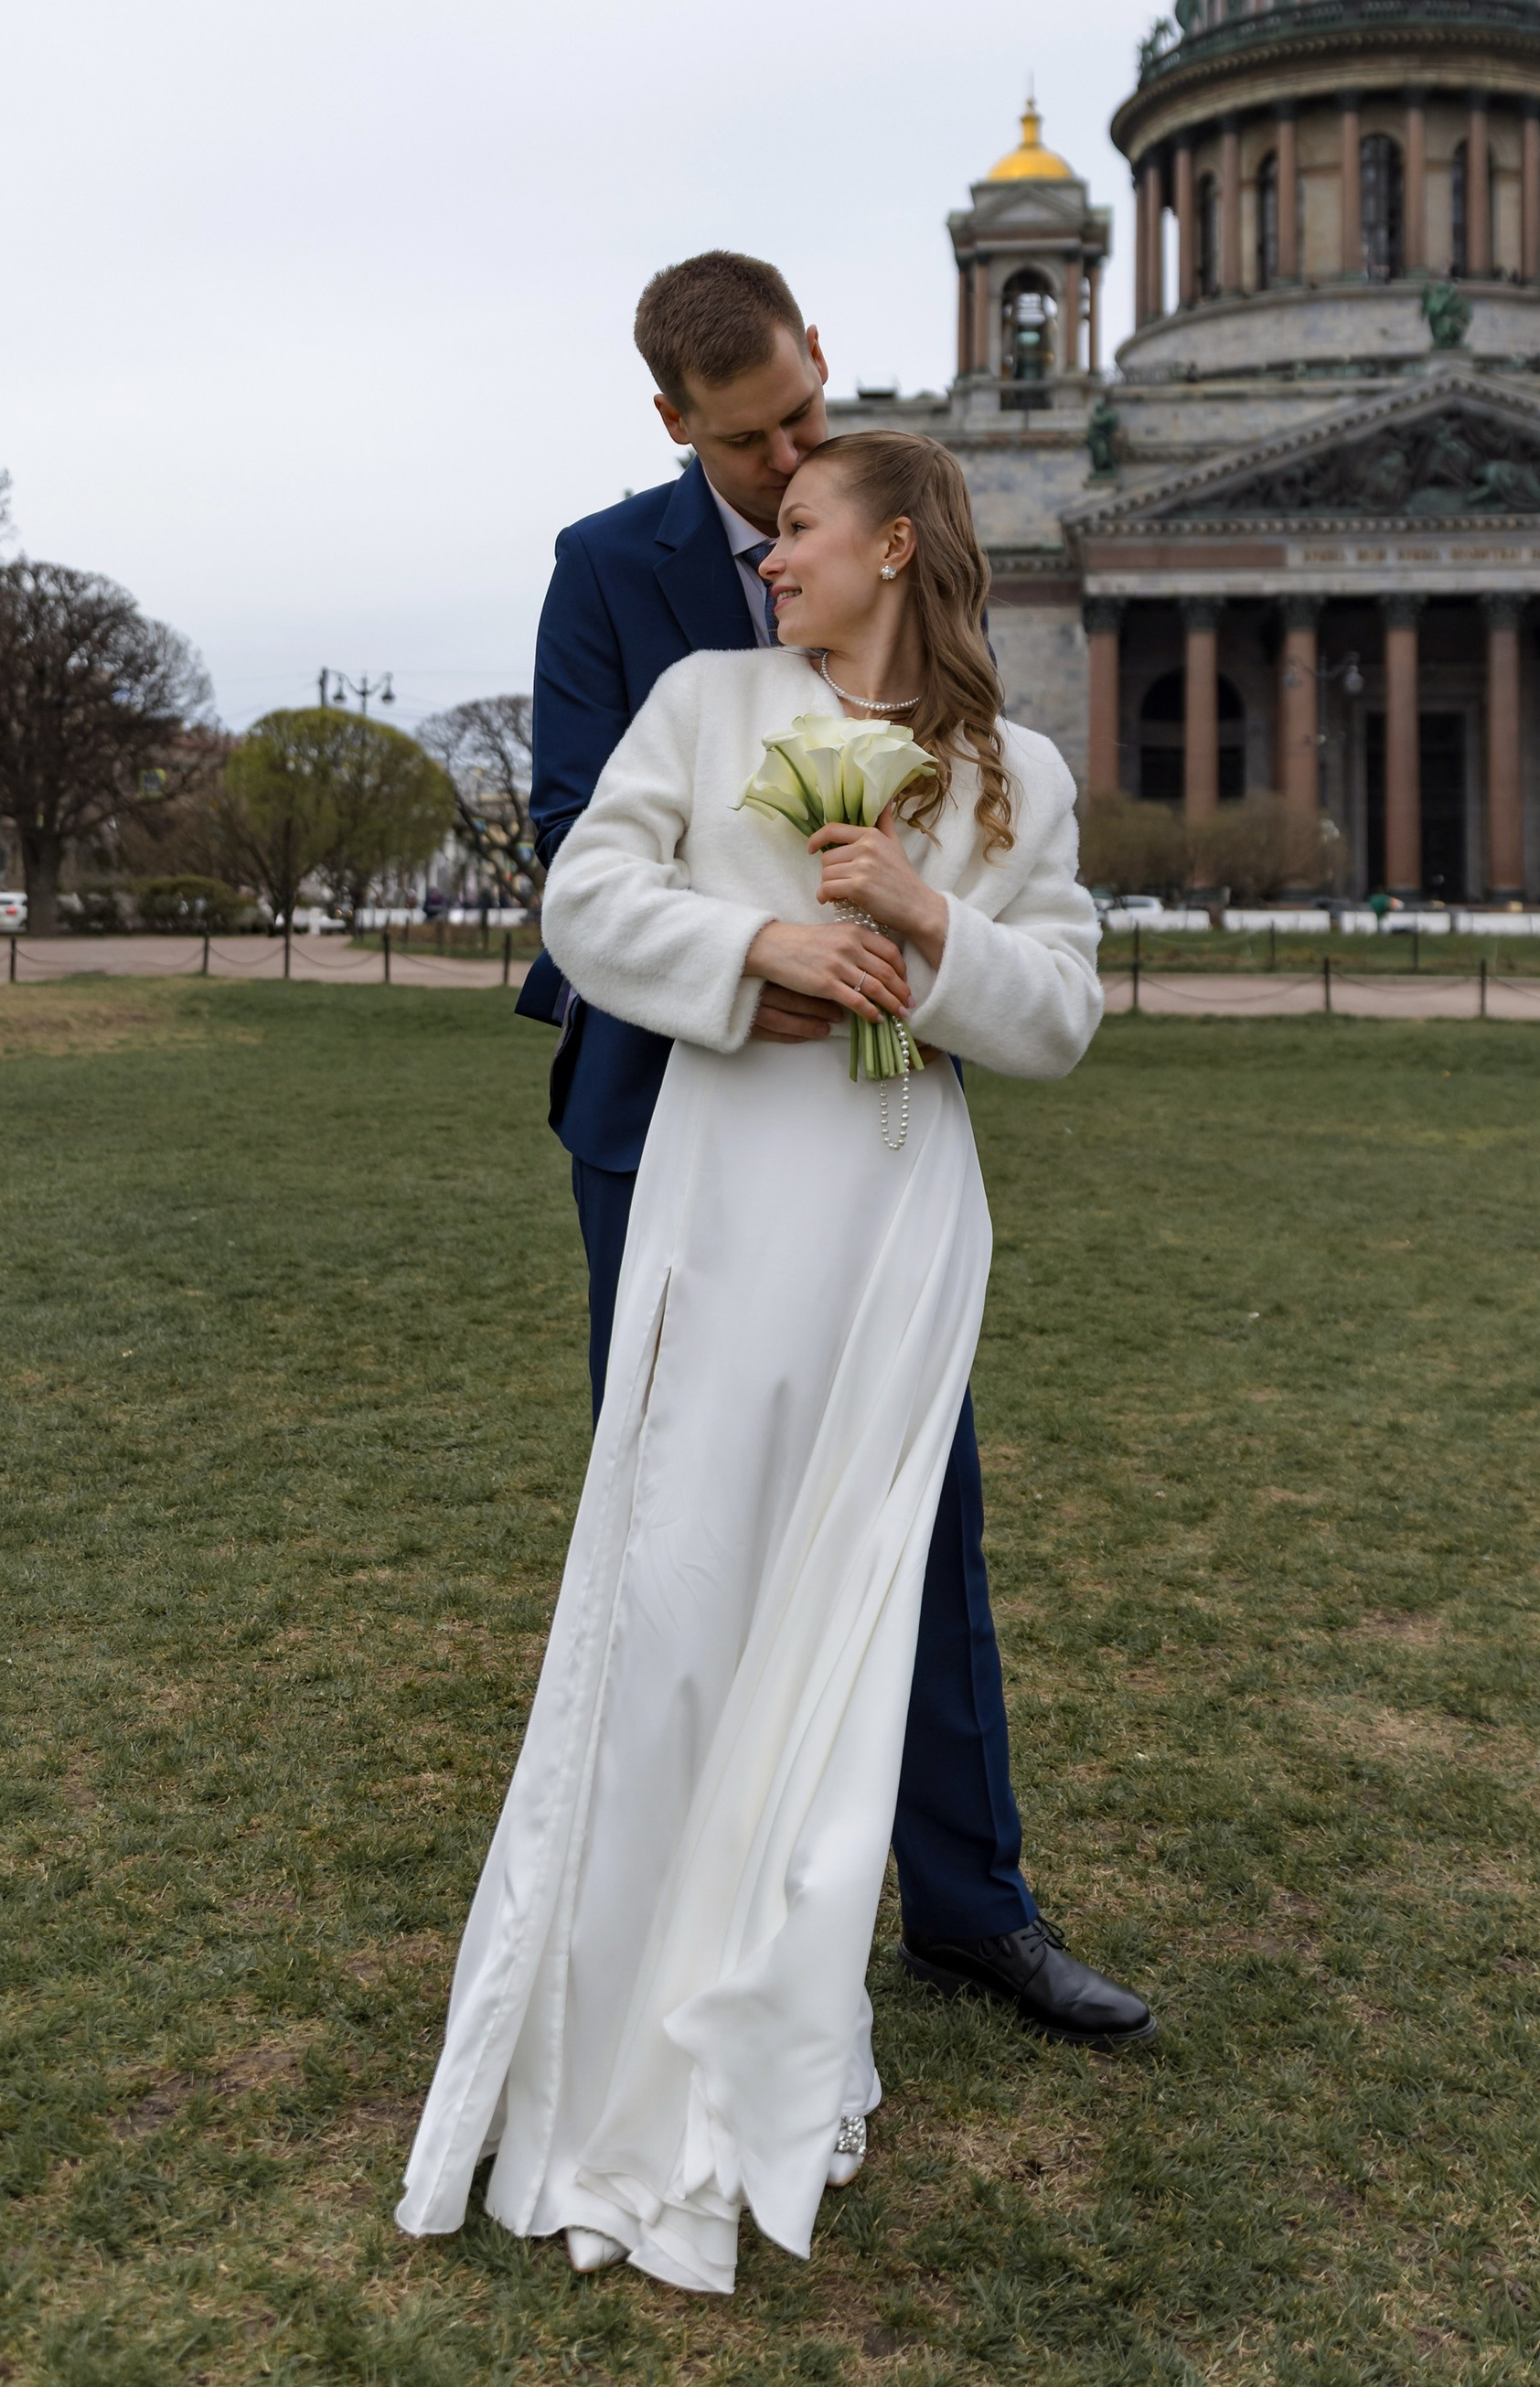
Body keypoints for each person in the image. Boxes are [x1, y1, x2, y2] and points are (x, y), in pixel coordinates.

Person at [397, 429, 1113, 2294]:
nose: (767, 557)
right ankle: (621, 2042)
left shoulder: (1016, 775)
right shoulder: (707, 705)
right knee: (686, 1595)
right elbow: (583, 896)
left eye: (797, 531)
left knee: (846, 1626)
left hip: (896, 1226)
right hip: (723, 1208)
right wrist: (757, 944)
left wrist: (926, 922)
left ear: (892, 545)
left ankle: (781, 2031)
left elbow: (1059, 1015)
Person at [515, 254, 1149, 2043]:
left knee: (913, 1514)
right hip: (661, 1113)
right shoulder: (605, 572)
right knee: (676, 1521)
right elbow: (577, 849)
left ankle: (968, 1910)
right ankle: (674, 1913)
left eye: (812, 403)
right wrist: (746, 958)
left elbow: (984, 825)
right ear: (675, 428)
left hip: (875, 1122)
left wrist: (910, 941)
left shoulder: (896, 532)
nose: (802, 445)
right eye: (759, 435)